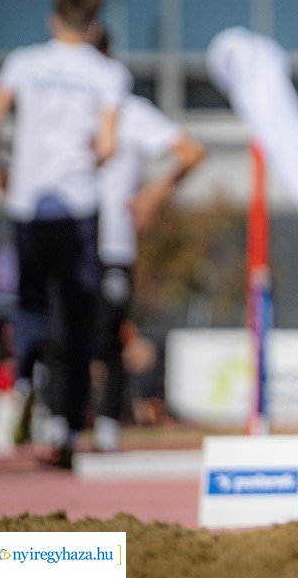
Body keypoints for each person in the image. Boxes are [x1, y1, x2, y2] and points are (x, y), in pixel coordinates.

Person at [0, 0, 131, 467]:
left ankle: (21, 382)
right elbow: (108, 147)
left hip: (29, 204)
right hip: (78, 206)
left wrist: (2, 169)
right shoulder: (108, 72)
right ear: (94, 28)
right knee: (78, 317)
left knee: (29, 304)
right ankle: (67, 428)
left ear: (52, 21)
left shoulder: (24, 63)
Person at [90, 27, 205, 453]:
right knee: (54, 331)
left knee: (108, 335)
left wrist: (152, 195)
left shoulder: (129, 111)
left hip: (112, 244)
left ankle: (104, 425)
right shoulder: (54, 102)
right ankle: (53, 422)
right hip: (61, 232)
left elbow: (191, 151)